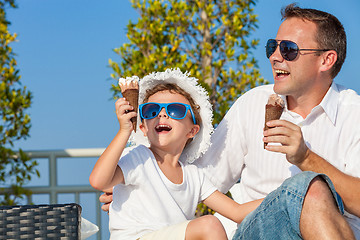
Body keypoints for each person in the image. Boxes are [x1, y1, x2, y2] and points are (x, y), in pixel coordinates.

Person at [100, 4, 360, 239]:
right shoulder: (252, 104)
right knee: (307, 190)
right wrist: (146, 188)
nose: (275, 57)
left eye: (289, 50)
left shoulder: (354, 113)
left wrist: (305, 159)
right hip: (254, 233)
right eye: (273, 47)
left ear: (327, 60)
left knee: (310, 188)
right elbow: (199, 175)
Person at [90, 68, 262, 240]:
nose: (162, 114)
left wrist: (284, 192)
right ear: (143, 128)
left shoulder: (194, 176)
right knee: (209, 225)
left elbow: (237, 212)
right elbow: (98, 181)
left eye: (176, 110)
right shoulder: (137, 158)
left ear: (192, 130)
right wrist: (124, 131)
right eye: (151, 110)